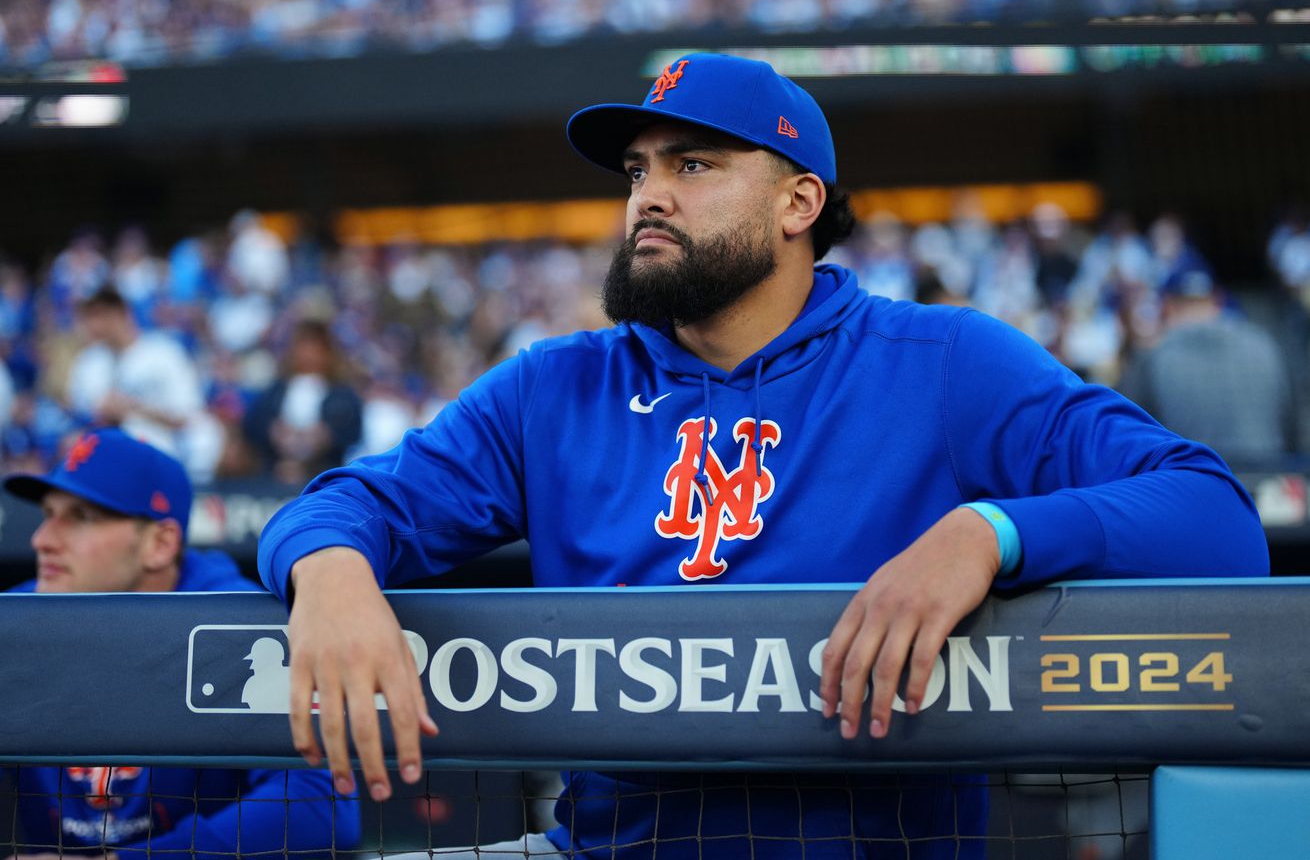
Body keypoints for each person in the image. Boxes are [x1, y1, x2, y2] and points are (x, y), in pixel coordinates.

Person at [256, 53, 1269, 858]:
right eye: (637, 170)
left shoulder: (943, 362)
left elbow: (1215, 523)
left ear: (797, 204)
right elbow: (341, 505)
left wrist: (990, 532)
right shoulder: (554, 386)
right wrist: (333, 574)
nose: (648, 194)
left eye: (692, 166)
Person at [2, 428, 360, 860]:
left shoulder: (236, 623)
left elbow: (324, 810)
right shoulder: (17, 615)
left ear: (160, 544)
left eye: (81, 517)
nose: (42, 539)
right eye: (47, 513)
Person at [1118, 267, 1293, 464]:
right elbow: (1290, 426)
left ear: (1166, 306)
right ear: (1217, 302)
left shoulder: (1154, 356)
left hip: (1195, 483)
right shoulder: (1263, 344)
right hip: (1266, 480)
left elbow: (1128, 436)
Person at [64, 285, 224, 483]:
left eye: (99, 315)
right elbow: (78, 415)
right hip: (107, 446)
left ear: (120, 314)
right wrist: (105, 413)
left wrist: (133, 408)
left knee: (205, 432)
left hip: (161, 442)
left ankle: (197, 492)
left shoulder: (163, 352)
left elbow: (187, 416)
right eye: (88, 317)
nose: (92, 325)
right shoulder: (89, 361)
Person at [243, 318, 364, 484]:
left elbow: (353, 431)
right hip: (274, 473)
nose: (309, 355)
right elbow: (253, 423)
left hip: (323, 474)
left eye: (316, 349)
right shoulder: (276, 390)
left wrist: (326, 436)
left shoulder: (342, 394)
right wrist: (274, 432)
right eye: (304, 348)